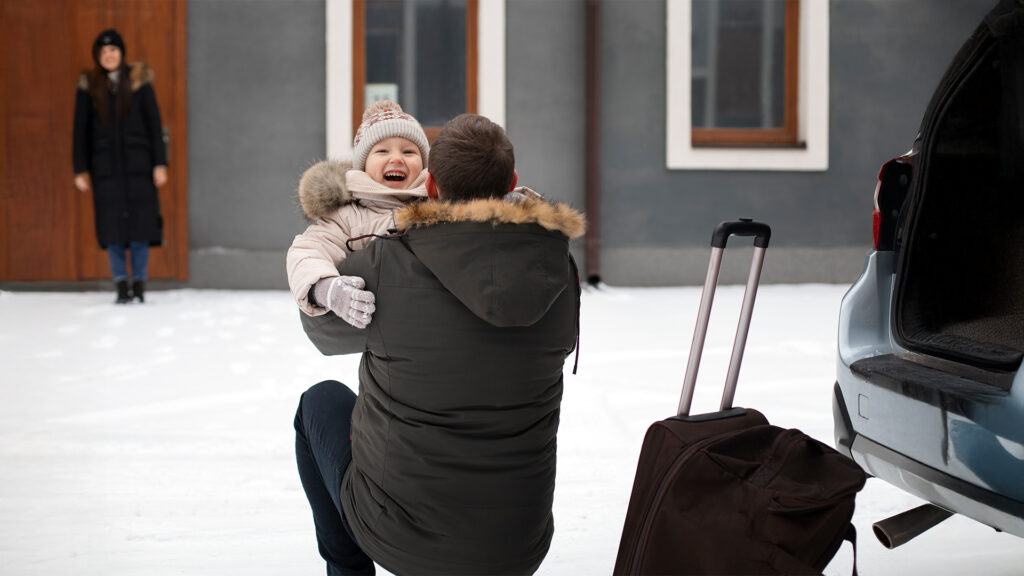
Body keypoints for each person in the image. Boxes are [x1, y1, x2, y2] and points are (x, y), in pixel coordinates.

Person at [293, 113, 585, 575]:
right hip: (518, 544)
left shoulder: (390, 261)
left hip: (401, 539)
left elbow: (323, 334)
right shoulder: (555, 270)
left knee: (319, 403)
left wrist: (335, 282)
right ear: (512, 182)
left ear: (429, 185)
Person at [286, 100, 431, 327]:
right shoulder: (348, 216)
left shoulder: (442, 204)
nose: (396, 158)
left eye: (409, 151)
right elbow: (308, 251)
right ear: (362, 165)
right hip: (383, 340)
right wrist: (328, 289)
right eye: (382, 151)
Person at [73, 29, 168, 304]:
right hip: (105, 170)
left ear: (122, 53)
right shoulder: (89, 87)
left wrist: (159, 163)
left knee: (139, 227)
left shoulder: (139, 84)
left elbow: (154, 126)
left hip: (139, 167)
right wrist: (80, 169)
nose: (109, 55)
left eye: (113, 50)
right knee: (112, 228)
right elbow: (80, 131)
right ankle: (120, 285)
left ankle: (139, 283)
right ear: (97, 57)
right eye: (103, 52)